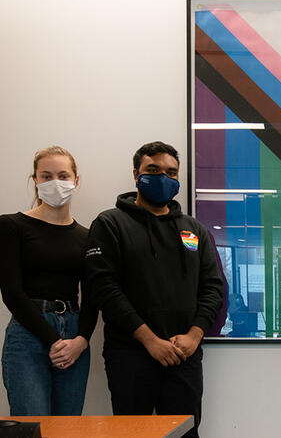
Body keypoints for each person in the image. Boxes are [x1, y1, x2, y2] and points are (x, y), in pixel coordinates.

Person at [85, 141, 223, 437]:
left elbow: (212, 287)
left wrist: (194, 336)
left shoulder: (194, 230)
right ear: (136, 174)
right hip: (131, 355)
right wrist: (149, 340)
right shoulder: (110, 224)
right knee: (132, 435)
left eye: (171, 172)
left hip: (183, 354)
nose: (164, 177)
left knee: (185, 434)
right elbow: (104, 289)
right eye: (153, 170)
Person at [0, 146, 96, 415]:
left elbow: (93, 295)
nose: (56, 182)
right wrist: (53, 340)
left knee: (67, 429)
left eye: (63, 176)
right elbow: (11, 293)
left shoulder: (87, 236)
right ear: (35, 181)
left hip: (75, 336)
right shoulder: (11, 226)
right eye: (47, 175)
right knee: (33, 426)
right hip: (29, 333)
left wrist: (81, 340)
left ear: (76, 180)